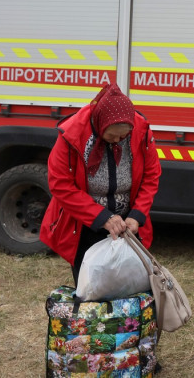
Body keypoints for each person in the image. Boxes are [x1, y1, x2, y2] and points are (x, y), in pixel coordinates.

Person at [40, 83, 161, 285]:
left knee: (131, 289)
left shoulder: (141, 131)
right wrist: (102, 217)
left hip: (127, 224)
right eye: (111, 136)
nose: (117, 141)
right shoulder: (72, 134)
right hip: (86, 225)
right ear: (100, 124)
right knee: (91, 291)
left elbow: (151, 174)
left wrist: (137, 215)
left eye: (123, 137)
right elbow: (60, 184)